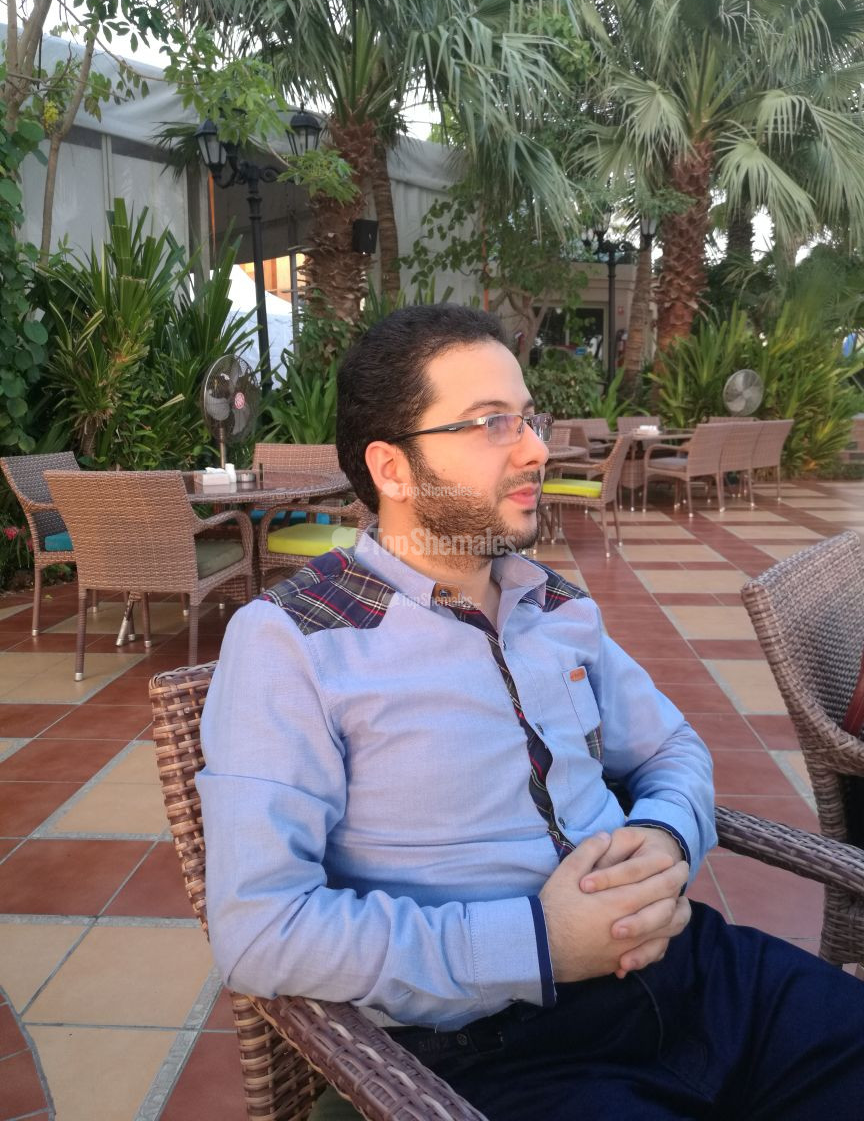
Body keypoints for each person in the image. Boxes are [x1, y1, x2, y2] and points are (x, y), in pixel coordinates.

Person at [199, 304, 864, 1120]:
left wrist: (667, 837)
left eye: (527, 418)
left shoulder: (555, 605)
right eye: (491, 424)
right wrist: (539, 944)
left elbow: (671, 750)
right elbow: (260, 929)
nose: (536, 449)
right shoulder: (296, 642)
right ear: (393, 468)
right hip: (506, 1048)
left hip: (696, 973)